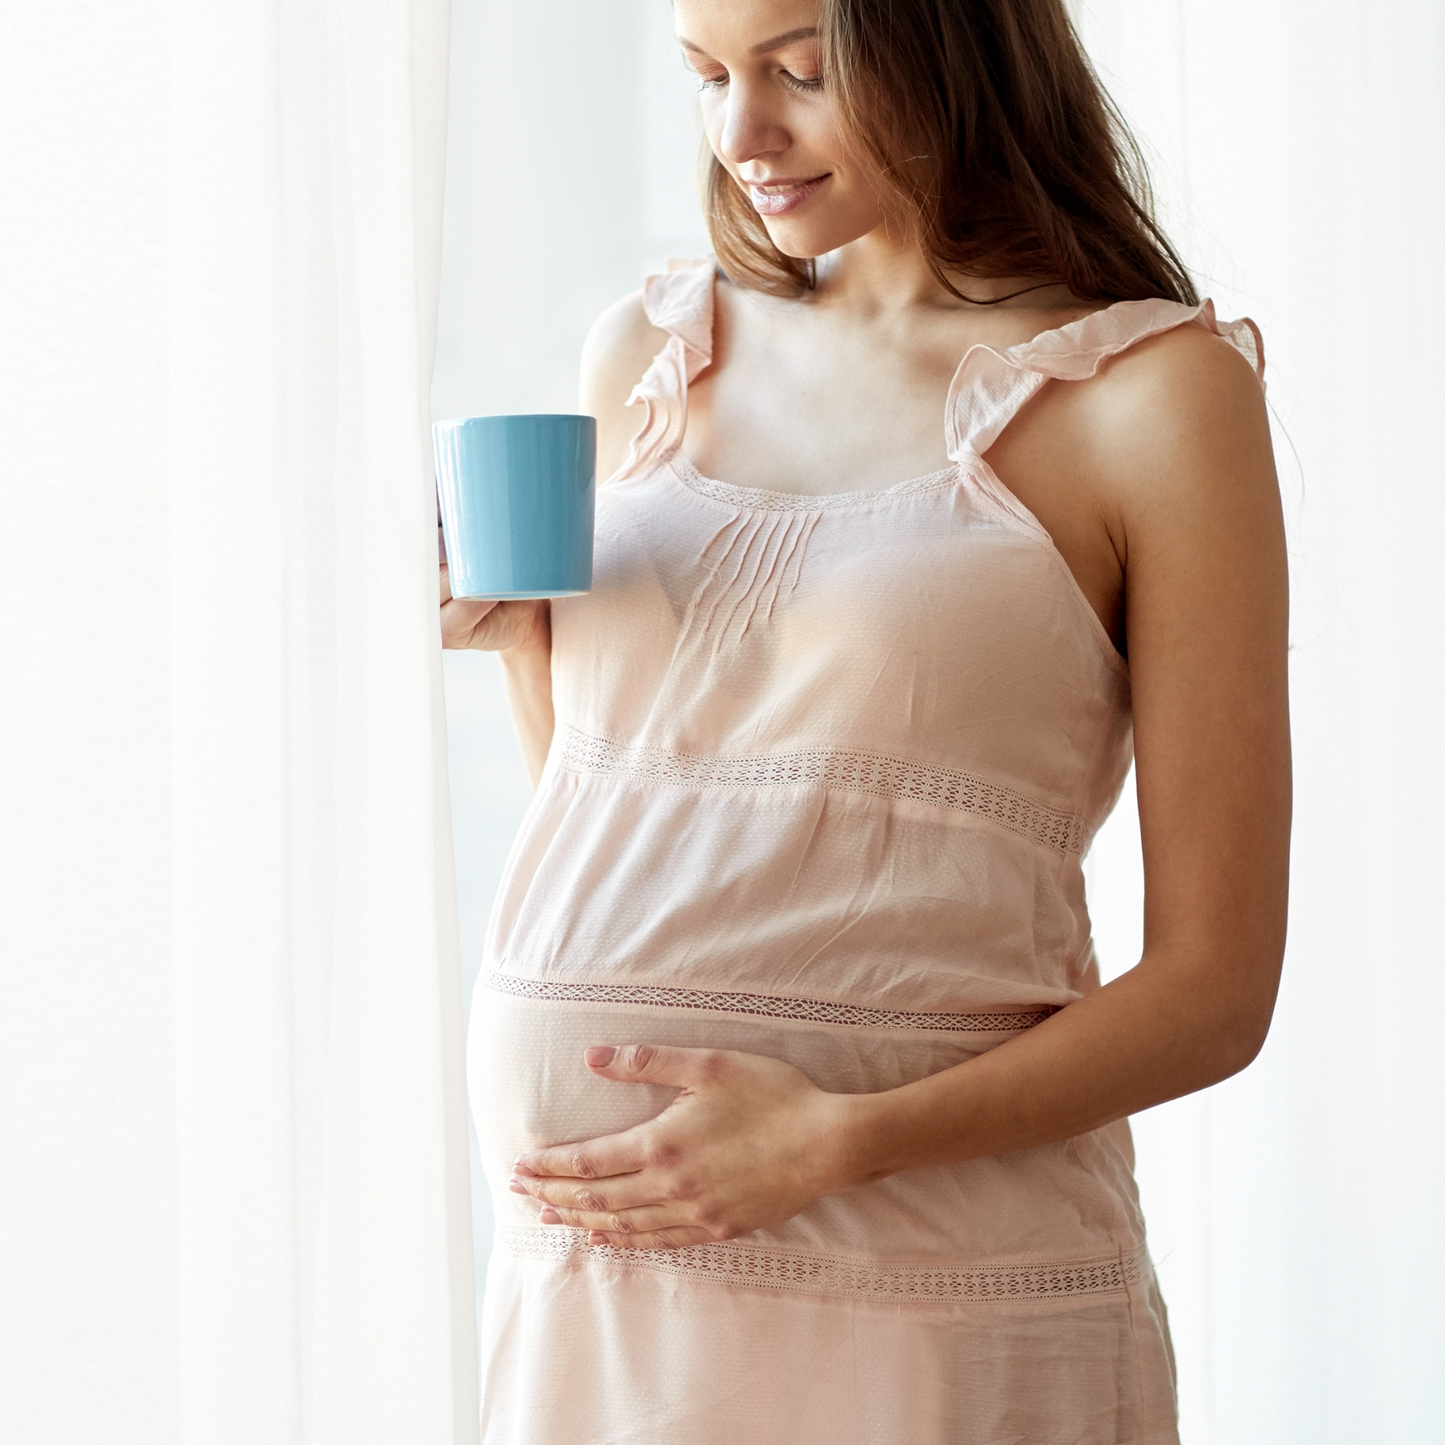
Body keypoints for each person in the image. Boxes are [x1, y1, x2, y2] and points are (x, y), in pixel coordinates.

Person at [439, 0, 1290, 1439]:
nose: (741, 135)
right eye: (706, 77)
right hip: (604, 1273)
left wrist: (837, 1143)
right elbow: (635, 835)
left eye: (798, 72)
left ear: (957, 43)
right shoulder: (650, 360)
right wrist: (528, 645)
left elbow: (1217, 989)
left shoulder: (1154, 401)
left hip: (935, 1279)